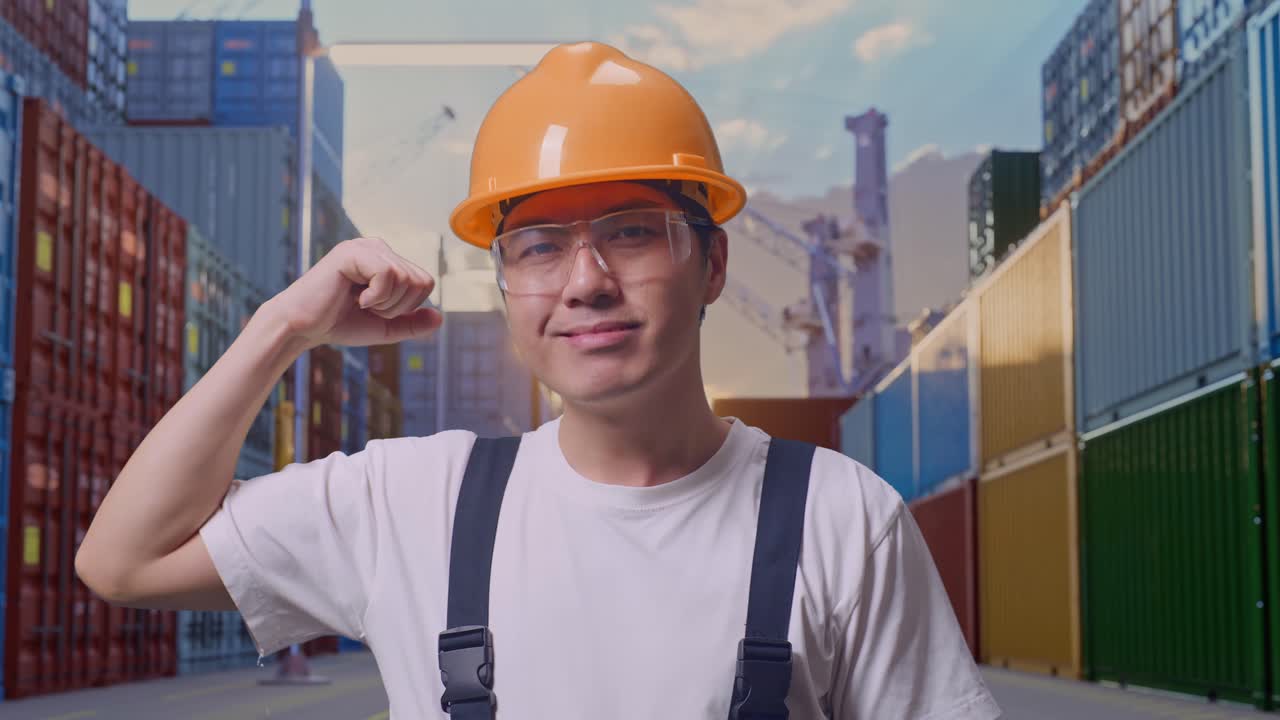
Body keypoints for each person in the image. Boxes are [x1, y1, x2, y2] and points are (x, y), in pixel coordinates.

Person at [76, 41, 1002, 719]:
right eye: (540, 246)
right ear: (509, 282)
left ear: (712, 264)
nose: (585, 281)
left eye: (633, 231)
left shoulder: (843, 520)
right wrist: (283, 328)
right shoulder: (407, 502)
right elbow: (123, 560)